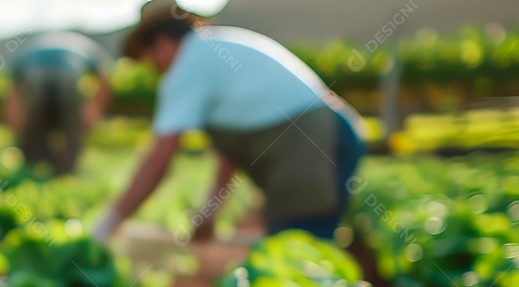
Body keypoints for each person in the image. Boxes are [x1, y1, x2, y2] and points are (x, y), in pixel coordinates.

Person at [92, 0, 367, 243]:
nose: (152, 69)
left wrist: (109, 223)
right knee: (295, 246)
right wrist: (210, 212)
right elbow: (232, 151)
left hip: (314, 142)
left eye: (148, 59)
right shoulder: (214, 51)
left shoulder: (188, 64)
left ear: (162, 43)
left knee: (297, 250)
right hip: (334, 132)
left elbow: (161, 156)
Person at [5, 32, 113, 175]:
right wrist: (94, 110)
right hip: (66, 75)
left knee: (34, 132)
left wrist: (19, 126)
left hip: (36, 76)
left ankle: (35, 170)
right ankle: (67, 172)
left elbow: (13, 97)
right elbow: (105, 80)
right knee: (72, 130)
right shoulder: (87, 46)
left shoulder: (26, 51)